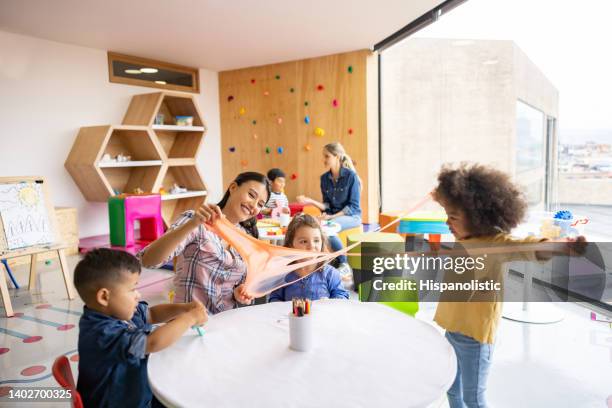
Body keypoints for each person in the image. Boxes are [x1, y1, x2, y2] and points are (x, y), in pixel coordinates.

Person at [432, 163, 585, 408]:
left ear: (476, 218)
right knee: (452, 389)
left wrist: (560, 245)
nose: (447, 222)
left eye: (453, 217)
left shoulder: (495, 244)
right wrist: (442, 196)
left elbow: (527, 247)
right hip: (452, 329)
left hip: (475, 337)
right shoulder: (463, 235)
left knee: (473, 398)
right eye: (447, 214)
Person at [74, 248, 207, 408]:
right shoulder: (102, 333)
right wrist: (189, 318)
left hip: (136, 388)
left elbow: (151, 314)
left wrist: (183, 308)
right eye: (132, 289)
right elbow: (152, 343)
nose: (138, 295)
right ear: (104, 297)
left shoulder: (116, 311)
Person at [139, 172, 270, 314]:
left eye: (260, 204)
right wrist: (192, 224)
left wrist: (238, 293)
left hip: (226, 322)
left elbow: (238, 286)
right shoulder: (197, 220)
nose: (254, 206)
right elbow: (148, 261)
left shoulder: (246, 237)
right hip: (188, 323)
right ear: (233, 188)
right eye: (251, 195)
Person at [296, 142, 361, 281]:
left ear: (337, 156)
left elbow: (353, 206)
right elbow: (326, 205)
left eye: (327, 156)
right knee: (316, 224)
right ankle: (324, 262)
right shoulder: (324, 179)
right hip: (333, 216)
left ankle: (344, 263)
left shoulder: (351, 177)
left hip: (352, 216)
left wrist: (331, 217)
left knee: (327, 228)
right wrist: (310, 201)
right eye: (323, 156)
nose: (324, 159)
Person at [269, 214, 349, 301]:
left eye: (316, 241)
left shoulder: (330, 274)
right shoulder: (283, 275)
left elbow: (342, 296)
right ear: (291, 245)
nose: (311, 246)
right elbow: (274, 299)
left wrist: (331, 303)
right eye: (304, 241)